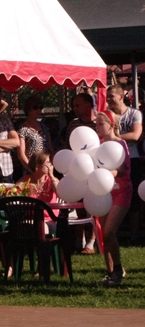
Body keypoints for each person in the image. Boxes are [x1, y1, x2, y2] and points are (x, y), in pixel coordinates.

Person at [95, 110, 131, 287]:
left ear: (111, 125)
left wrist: (108, 174)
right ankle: (110, 273)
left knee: (109, 232)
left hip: (121, 192)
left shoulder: (120, 144)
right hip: (103, 193)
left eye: (100, 124)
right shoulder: (97, 146)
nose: (97, 127)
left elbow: (123, 170)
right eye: (95, 124)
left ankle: (118, 269)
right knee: (104, 234)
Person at [106, 84, 144, 240]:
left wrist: (114, 138)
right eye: (107, 96)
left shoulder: (134, 113)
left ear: (121, 97)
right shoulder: (107, 114)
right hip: (110, 160)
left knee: (133, 195)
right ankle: (111, 231)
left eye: (111, 96)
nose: (108, 99)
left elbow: (136, 135)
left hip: (132, 158)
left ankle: (133, 233)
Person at [66, 92, 98, 254]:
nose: (75, 108)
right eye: (73, 106)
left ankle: (91, 242)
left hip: (95, 170)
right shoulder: (73, 124)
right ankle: (80, 240)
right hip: (77, 170)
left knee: (94, 206)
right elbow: (69, 145)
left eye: (78, 105)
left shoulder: (99, 122)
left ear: (88, 105)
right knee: (78, 205)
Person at [16, 151, 60, 235]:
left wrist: (51, 176)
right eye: (48, 162)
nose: (51, 165)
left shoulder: (52, 180)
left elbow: (60, 194)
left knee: (39, 227)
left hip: (50, 219)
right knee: (19, 227)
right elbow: (14, 193)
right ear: (37, 165)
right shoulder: (26, 180)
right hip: (29, 218)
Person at [17, 95, 54, 172]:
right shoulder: (23, 130)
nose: (39, 110)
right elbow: (21, 154)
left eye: (40, 107)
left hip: (45, 169)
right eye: (35, 108)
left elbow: (51, 149)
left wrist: (51, 165)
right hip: (31, 170)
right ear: (28, 110)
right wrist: (31, 170)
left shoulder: (44, 128)